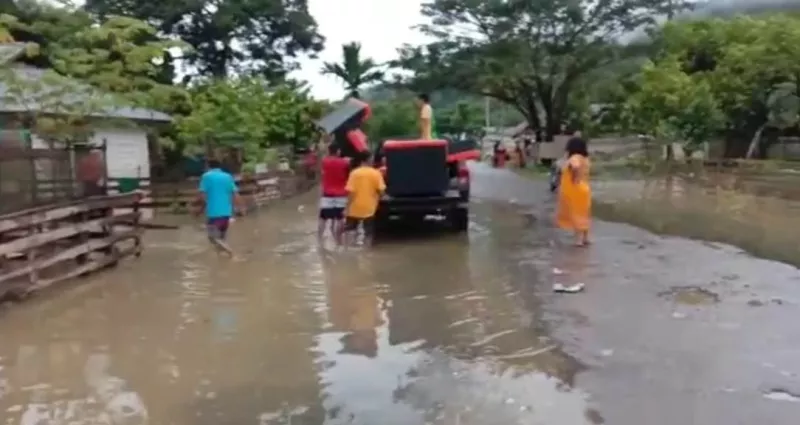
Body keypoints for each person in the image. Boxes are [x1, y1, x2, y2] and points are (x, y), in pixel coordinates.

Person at [198, 159, 243, 255]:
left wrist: (200, 209)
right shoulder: (227, 176)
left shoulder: (206, 177)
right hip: (227, 212)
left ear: (208, 166)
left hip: (214, 212)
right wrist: (240, 208)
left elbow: (202, 195)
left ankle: (230, 252)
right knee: (222, 239)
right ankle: (223, 261)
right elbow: (235, 194)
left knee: (212, 237)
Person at [343, 151, 386, 247]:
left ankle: (349, 251)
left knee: (350, 231)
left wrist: (346, 208)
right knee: (368, 233)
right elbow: (382, 192)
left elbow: (351, 192)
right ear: (368, 159)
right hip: (369, 208)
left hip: (354, 208)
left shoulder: (354, 173)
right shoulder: (376, 173)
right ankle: (366, 251)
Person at [555, 133, 591, 246]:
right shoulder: (585, 159)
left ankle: (578, 240)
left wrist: (574, 177)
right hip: (584, 188)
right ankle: (585, 238)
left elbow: (574, 167)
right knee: (583, 213)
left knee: (576, 214)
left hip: (575, 189)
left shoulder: (574, 158)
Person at [319, 144, 350, 243]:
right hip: (341, 194)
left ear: (329, 151)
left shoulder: (324, 162)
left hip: (327, 194)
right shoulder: (345, 163)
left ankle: (319, 240)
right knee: (340, 218)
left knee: (323, 218)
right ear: (338, 151)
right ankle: (338, 241)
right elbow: (348, 175)